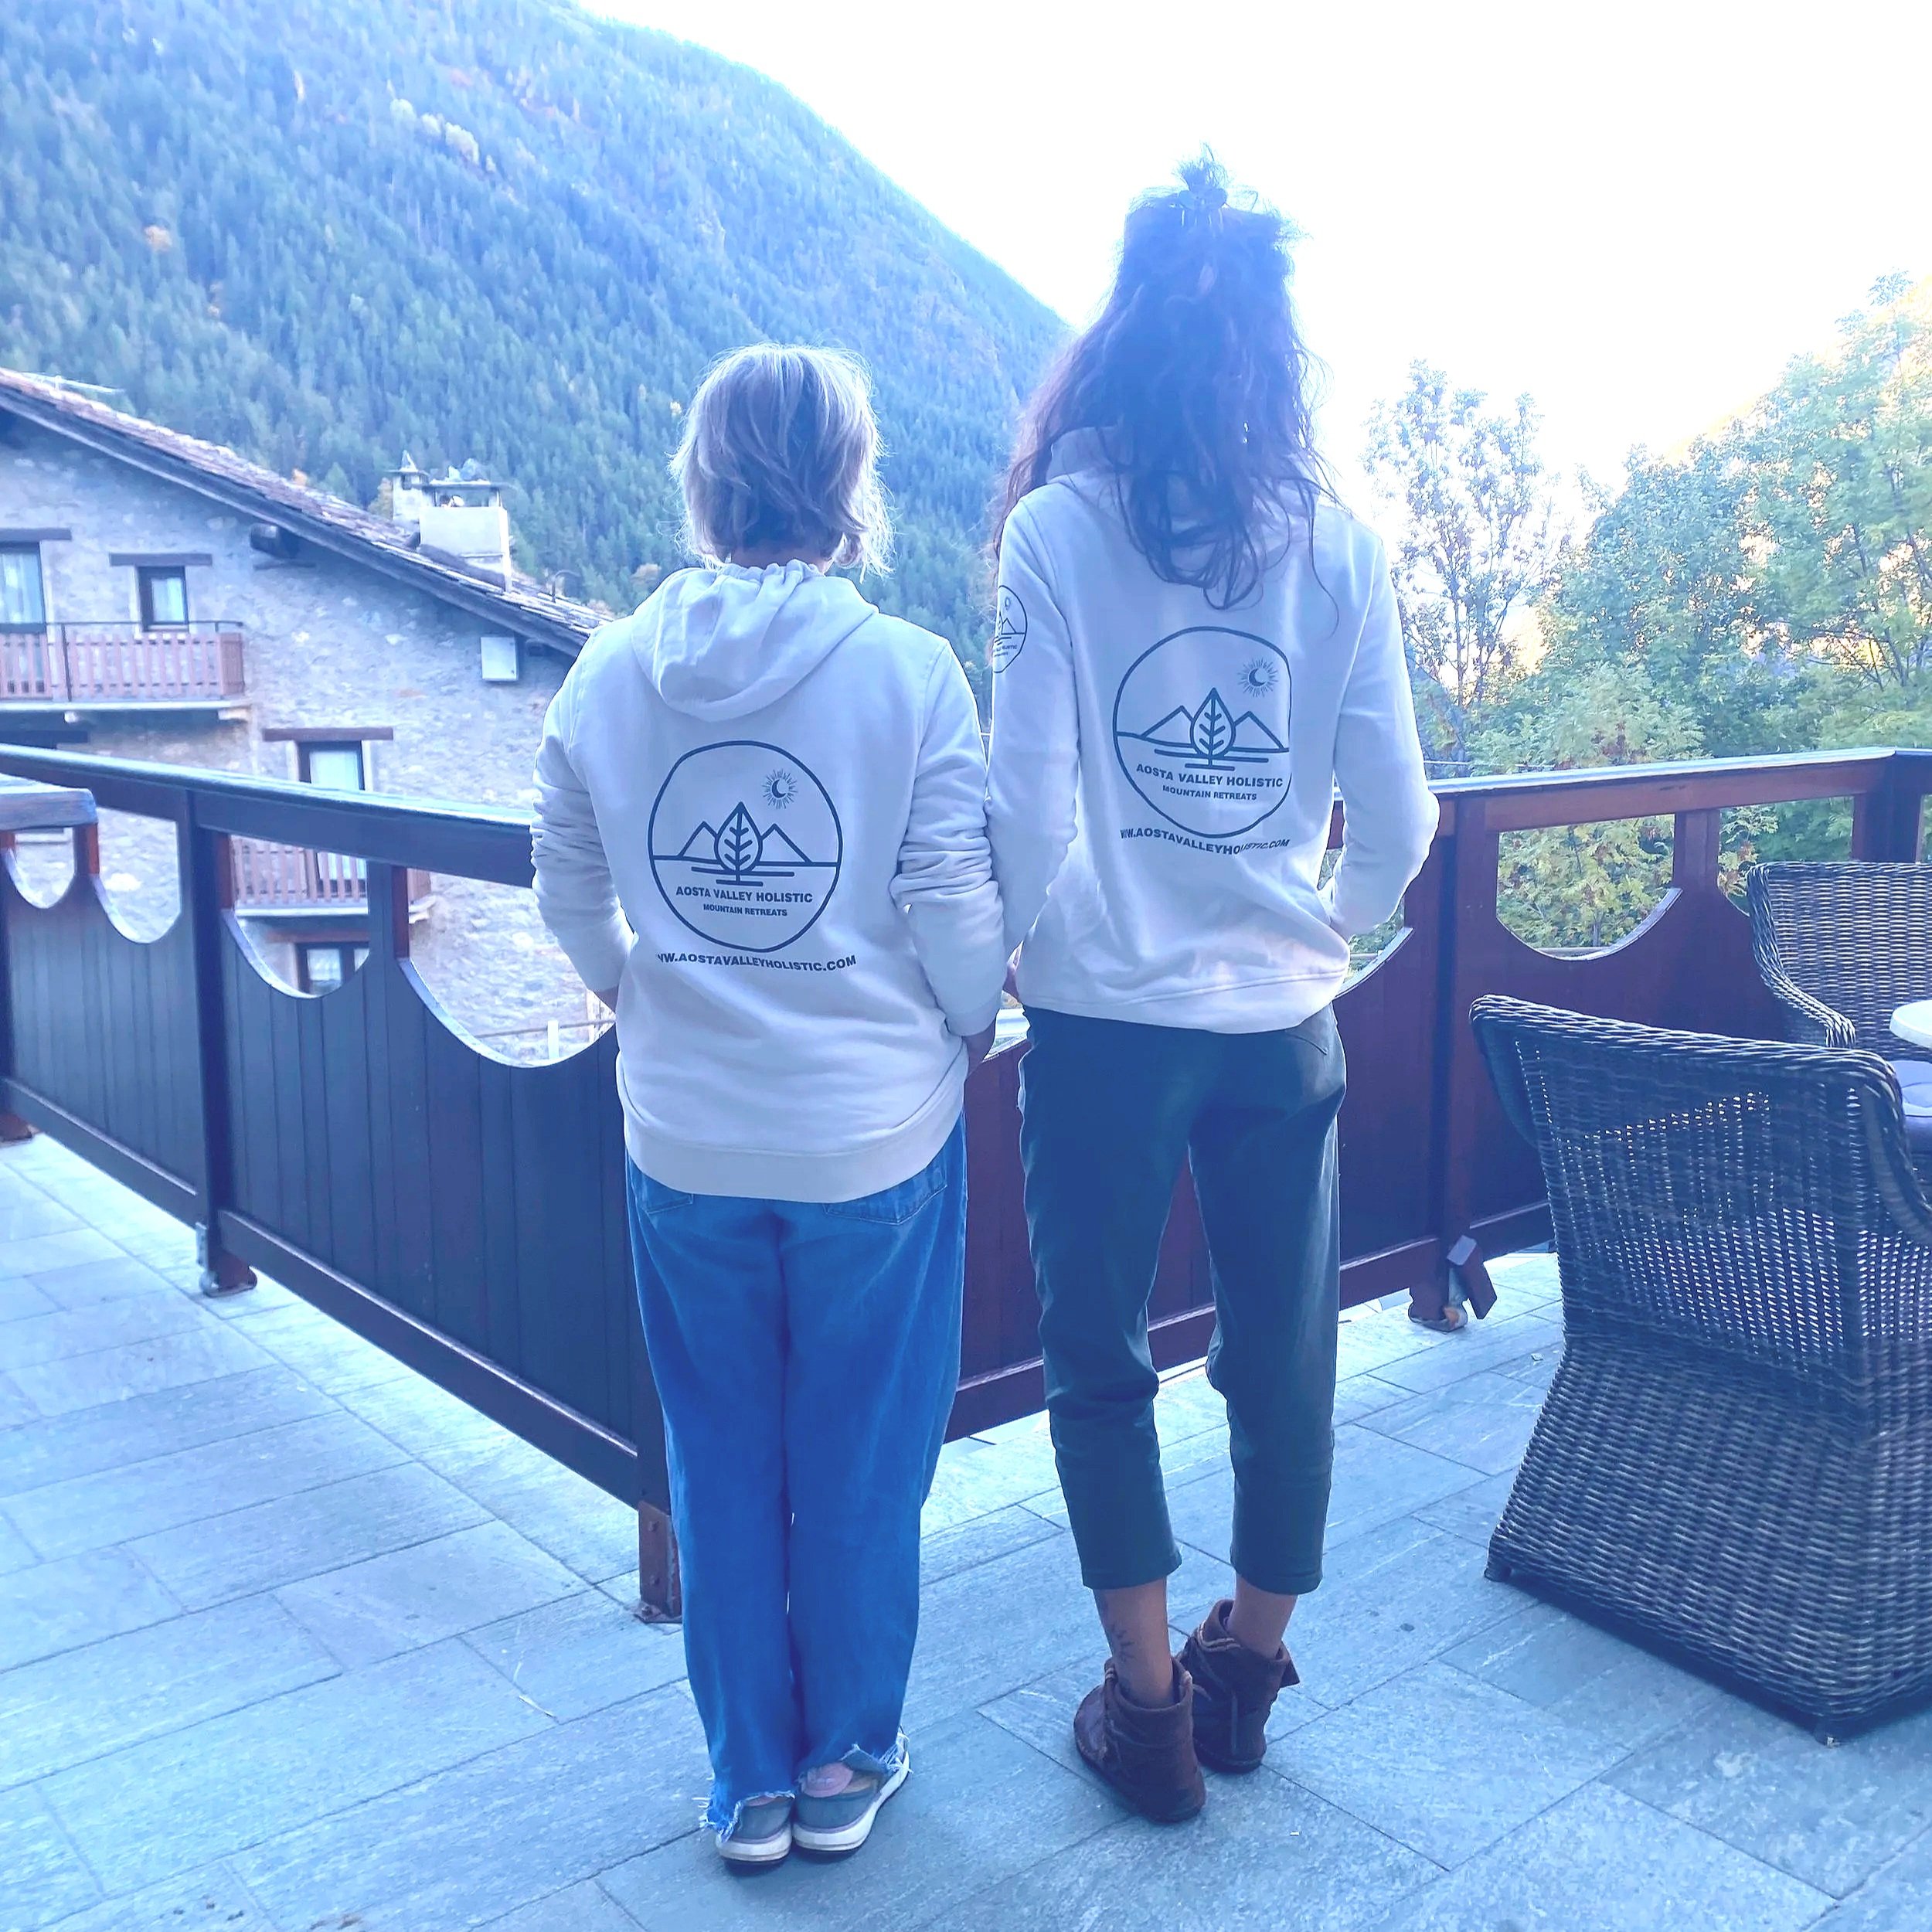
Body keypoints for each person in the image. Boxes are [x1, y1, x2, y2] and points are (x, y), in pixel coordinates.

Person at [985, 158, 1439, 1822]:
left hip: (1103, 1021)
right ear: (1273, 352)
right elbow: (1396, 821)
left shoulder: (1053, 530)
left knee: (1096, 1353)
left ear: (1111, 340)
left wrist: (1007, 964)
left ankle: (1149, 1711)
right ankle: (1245, 1665)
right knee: (1284, 1345)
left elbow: (1023, 809)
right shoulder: (1340, 544)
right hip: (1278, 1024)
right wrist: (1325, 937)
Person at [532, 343, 1005, 1866]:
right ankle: (846, 1757)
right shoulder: (908, 672)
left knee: (718, 1451)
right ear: (850, 484)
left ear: (702, 477)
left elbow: (563, 881)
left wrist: (641, 987)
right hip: (872, 1134)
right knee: (859, 1457)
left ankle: (745, 1780)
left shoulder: (610, 667)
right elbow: (953, 904)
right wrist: (958, 1025)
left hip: (683, 1131)